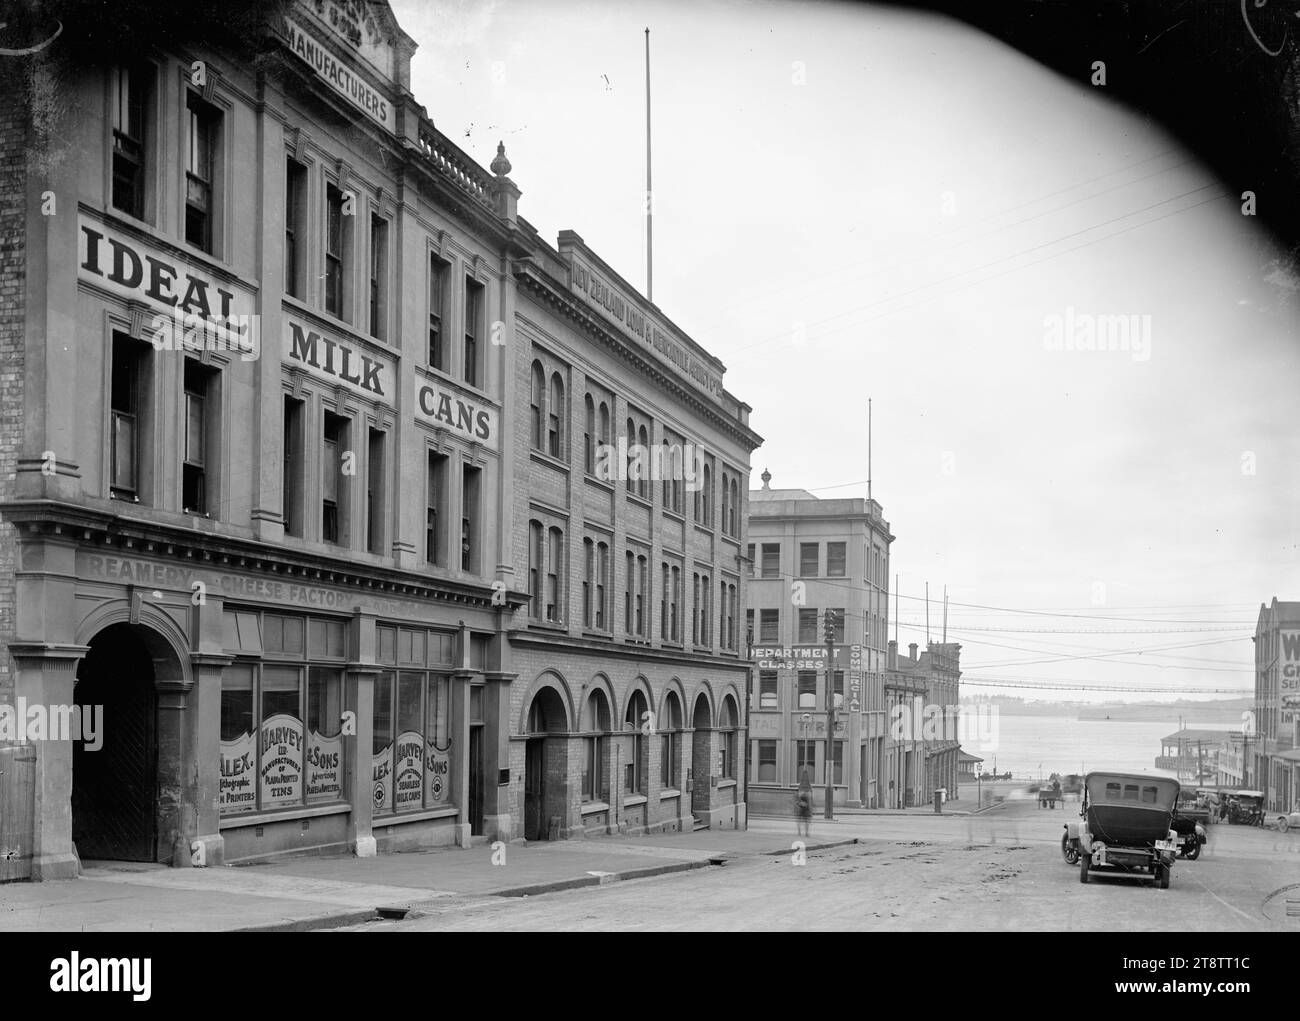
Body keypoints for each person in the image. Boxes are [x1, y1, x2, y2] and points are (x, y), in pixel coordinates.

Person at [794, 771, 813, 838]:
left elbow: (797, 799)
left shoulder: (801, 787)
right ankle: (804, 833)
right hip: (803, 808)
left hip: (803, 808)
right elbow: (809, 800)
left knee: (803, 821)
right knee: (805, 821)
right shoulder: (808, 788)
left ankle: (803, 832)